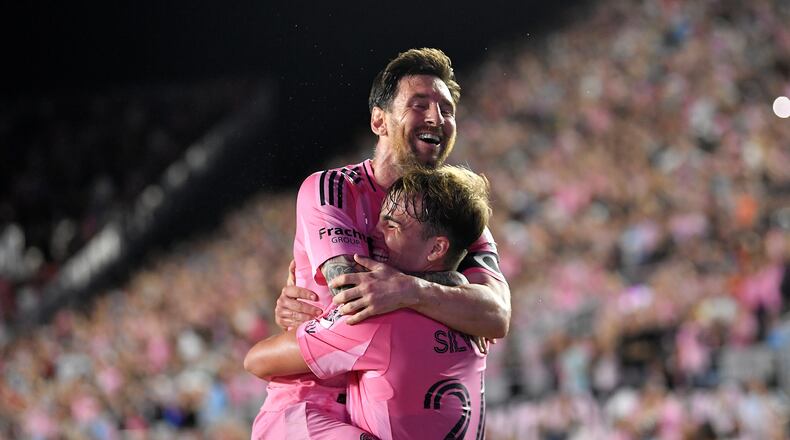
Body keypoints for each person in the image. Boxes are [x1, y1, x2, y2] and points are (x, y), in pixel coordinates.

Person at [250, 48, 510, 438]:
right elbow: (356, 300)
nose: (436, 118)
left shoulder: (456, 214)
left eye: (447, 109)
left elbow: (496, 315)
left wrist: (411, 290)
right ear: (379, 120)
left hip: (382, 415)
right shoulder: (334, 190)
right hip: (312, 405)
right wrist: (454, 291)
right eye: (419, 104)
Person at [247, 165, 492, 439]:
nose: (375, 231)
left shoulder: (377, 319)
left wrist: (314, 321)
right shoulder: (475, 320)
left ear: (436, 248)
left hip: (297, 419)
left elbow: (256, 361)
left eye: (392, 225)